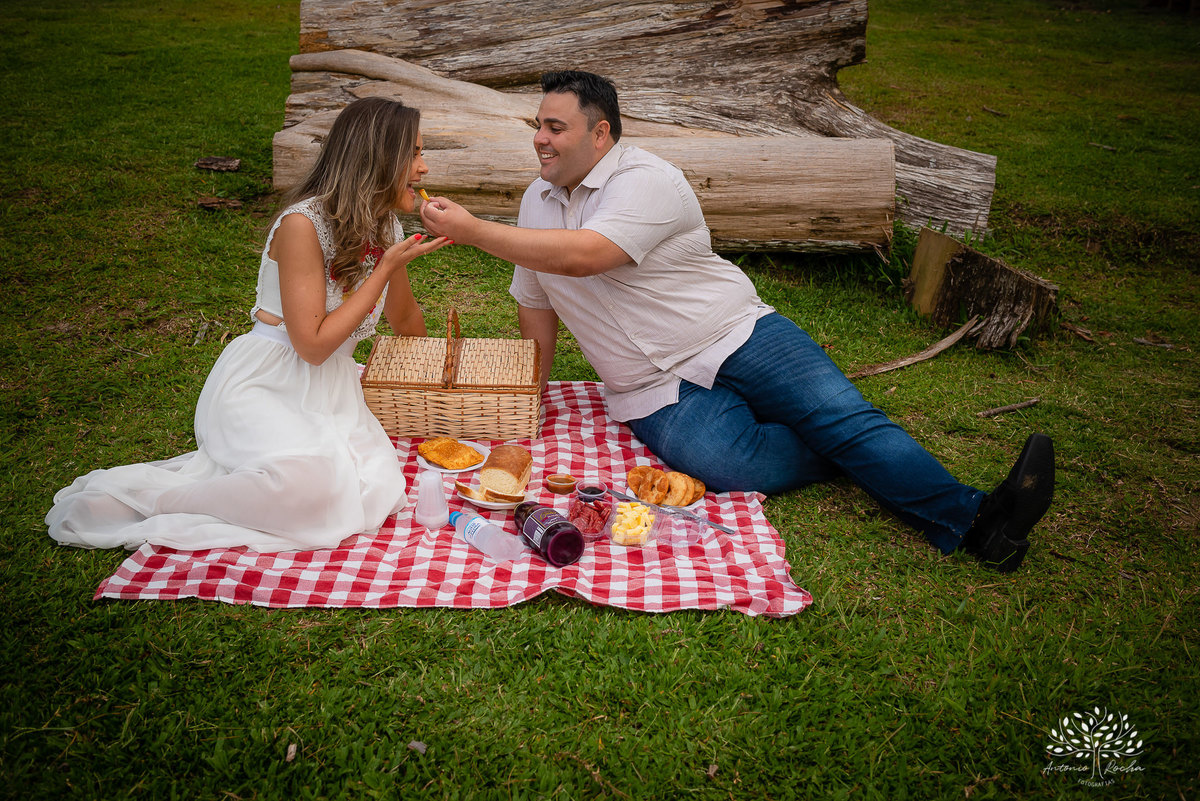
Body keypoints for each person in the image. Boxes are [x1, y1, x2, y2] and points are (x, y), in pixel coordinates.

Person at [419, 71, 1054, 571]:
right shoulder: (535, 201)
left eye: (555, 127)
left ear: (601, 134)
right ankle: (848, 445)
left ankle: (982, 521)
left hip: (735, 333)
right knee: (732, 467)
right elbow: (535, 300)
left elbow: (588, 255)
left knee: (842, 417)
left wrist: (474, 231)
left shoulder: (648, 180)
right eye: (538, 125)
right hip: (648, 384)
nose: (540, 138)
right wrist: (530, 396)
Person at [47, 97, 449, 552]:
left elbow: (405, 319)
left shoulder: (385, 227)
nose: (423, 168)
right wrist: (385, 269)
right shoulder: (302, 225)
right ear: (377, 158)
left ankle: (242, 492)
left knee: (370, 487)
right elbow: (312, 346)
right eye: (414, 153)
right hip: (266, 381)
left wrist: (437, 375)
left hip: (331, 390)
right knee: (309, 486)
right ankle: (151, 501)